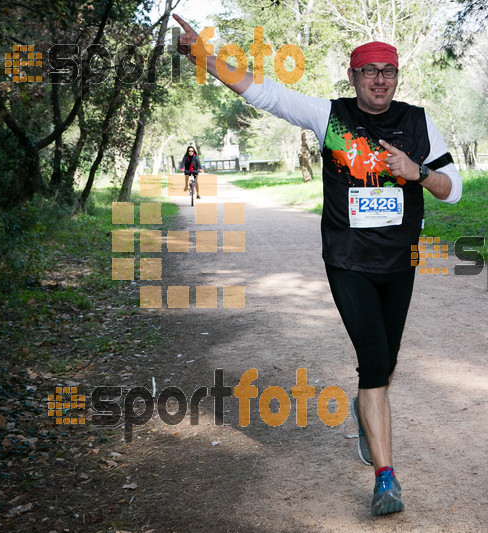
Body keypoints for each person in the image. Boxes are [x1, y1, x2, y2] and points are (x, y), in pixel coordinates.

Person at [174, 14, 462, 516]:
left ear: (397, 77)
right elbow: (263, 93)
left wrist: (417, 173)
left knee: (385, 365)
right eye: (369, 71)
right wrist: (205, 58)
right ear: (353, 77)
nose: (379, 80)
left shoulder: (418, 122)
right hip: (348, 262)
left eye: (388, 71)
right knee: (374, 363)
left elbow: (454, 190)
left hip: (400, 262)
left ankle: (366, 411)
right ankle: (386, 479)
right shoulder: (329, 116)